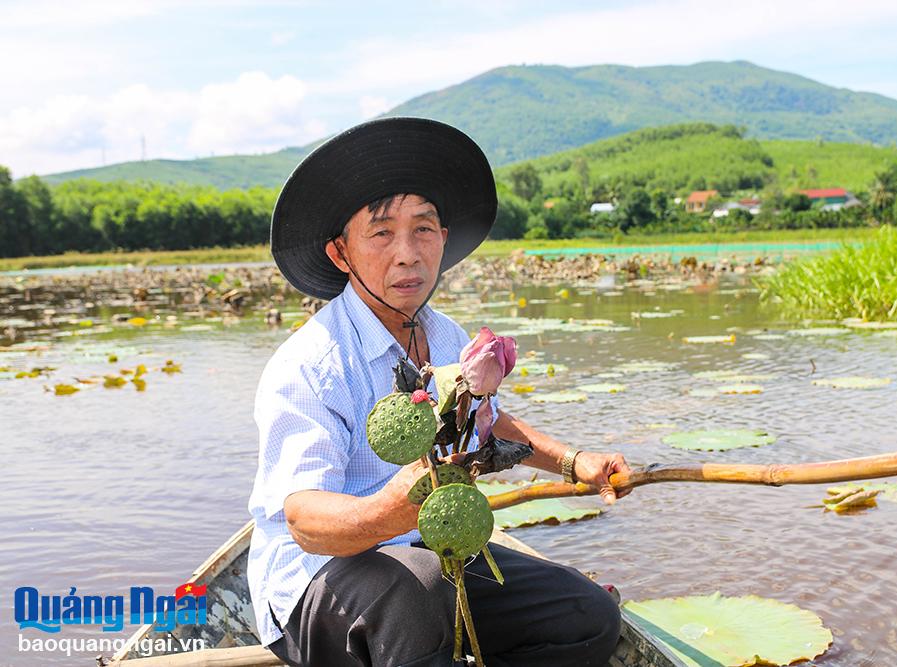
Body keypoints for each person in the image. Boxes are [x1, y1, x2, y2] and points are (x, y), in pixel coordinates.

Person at [248, 117, 632, 667]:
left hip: (423, 551)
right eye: (381, 233)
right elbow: (304, 521)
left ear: (444, 240)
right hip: (317, 581)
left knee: (586, 616)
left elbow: (488, 419)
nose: (407, 253)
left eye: (423, 229)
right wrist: (390, 510)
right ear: (341, 253)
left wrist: (574, 461)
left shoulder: (447, 335)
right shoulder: (311, 365)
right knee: (421, 589)